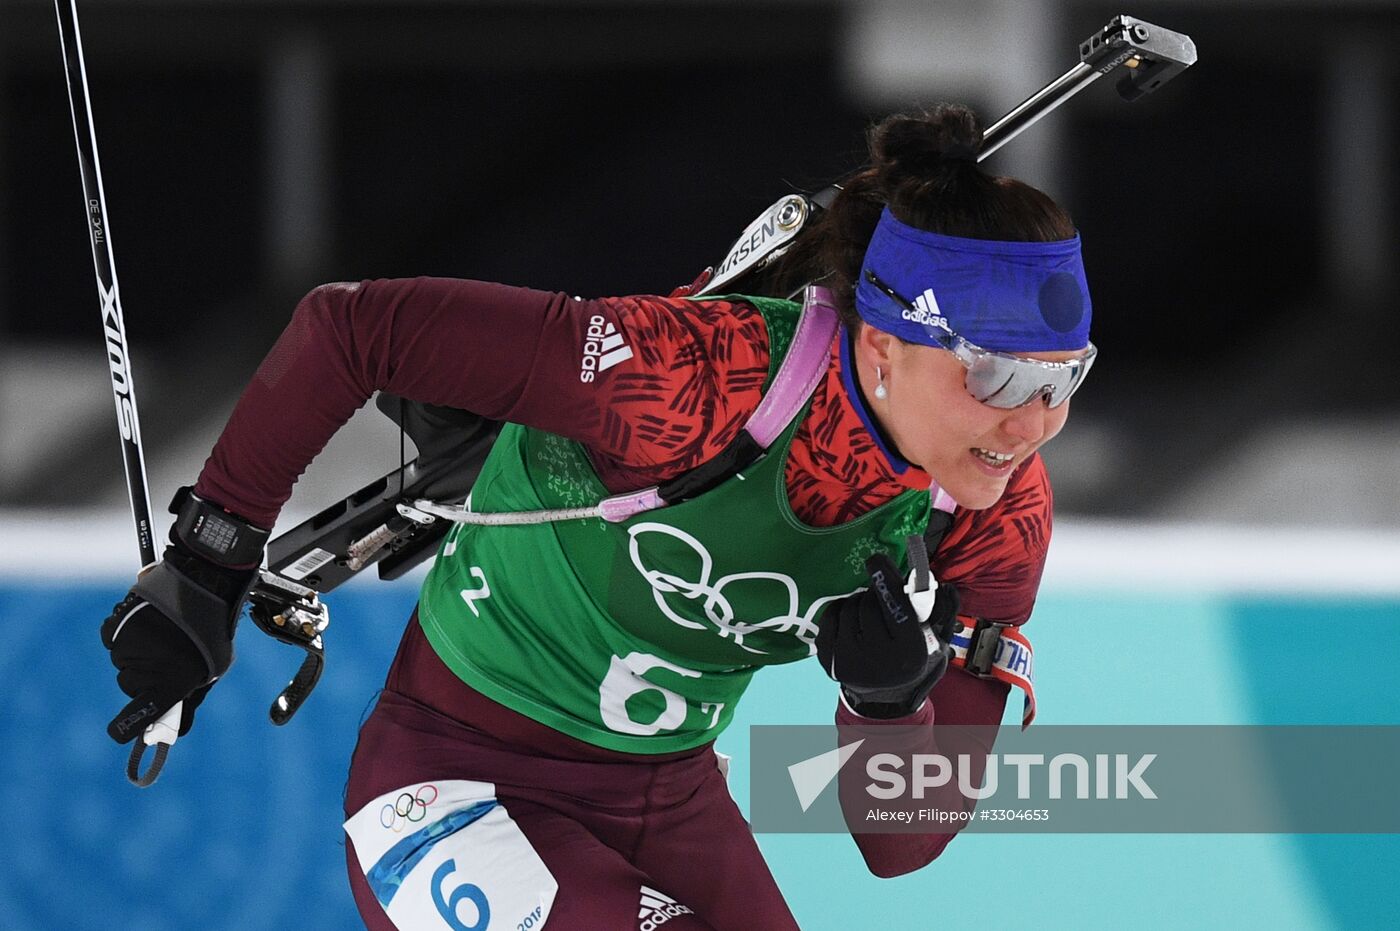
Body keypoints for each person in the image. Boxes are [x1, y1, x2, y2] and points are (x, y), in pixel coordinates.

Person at [99, 103, 1094, 930]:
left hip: (669, 800)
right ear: (880, 348)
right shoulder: (692, 376)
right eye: (996, 373)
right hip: (456, 781)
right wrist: (208, 563)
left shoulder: (992, 516)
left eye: (1060, 379)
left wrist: (885, 712)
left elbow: (899, 841)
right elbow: (349, 330)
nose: (1031, 424)